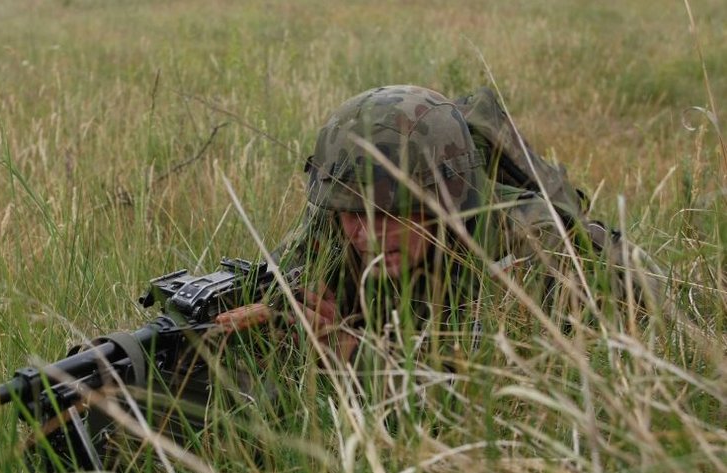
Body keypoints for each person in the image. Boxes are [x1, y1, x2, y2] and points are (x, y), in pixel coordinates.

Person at [275, 85, 663, 364]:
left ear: (446, 202)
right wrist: (275, 312)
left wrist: (351, 353)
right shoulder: (338, 212)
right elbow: (277, 280)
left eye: (389, 214)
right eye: (353, 213)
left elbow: (490, 401)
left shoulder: (526, 242)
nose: (365, 234)